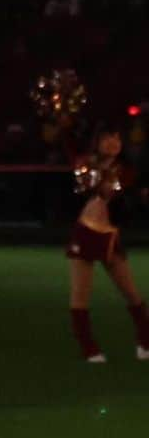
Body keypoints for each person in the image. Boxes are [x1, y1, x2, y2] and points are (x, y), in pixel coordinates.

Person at [66, 124, 149, 362]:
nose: (113, 142)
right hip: (85, 233)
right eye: (106, 138)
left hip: (110, 236)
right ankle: (89, 347)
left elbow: (124, 197)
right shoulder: (87, 164)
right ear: (97, 142)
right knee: (80, 295)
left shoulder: (127, 170)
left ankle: (145, 341)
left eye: (116, 138)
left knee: (131, 292)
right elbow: (84, 188)